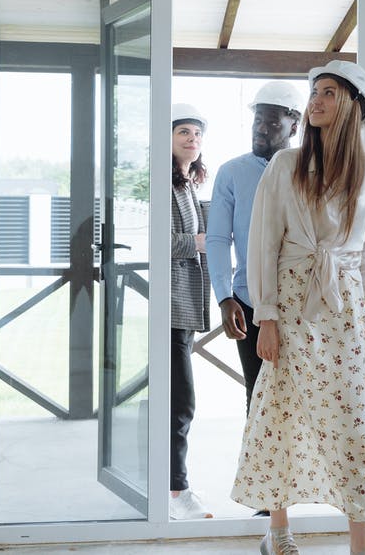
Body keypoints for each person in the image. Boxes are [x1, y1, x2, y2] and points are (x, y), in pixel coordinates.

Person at [231, 62, 365, 555]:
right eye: (314, 93)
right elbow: (263, 244)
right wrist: (267, 317)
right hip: (292, 302)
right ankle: (278, 534)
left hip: (344, 308)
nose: (315, 101)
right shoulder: (286, 165)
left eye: (328, 92)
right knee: (281, 415)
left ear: (352, 105)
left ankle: (361, 543)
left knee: (357, 420)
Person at [205, 81, 303, 418]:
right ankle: (259, 472)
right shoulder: (231, 173)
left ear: (295, 124)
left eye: (273, 122)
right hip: (250, 302)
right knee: (259, 399)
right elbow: (218, 238)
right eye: (257, 121)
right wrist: (223, 296)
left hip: (303, 303)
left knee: (302, 401)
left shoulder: (310, 169)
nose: (261, 130)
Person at [168, 103, 214, 520]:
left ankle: (171, 485)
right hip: (170, 307)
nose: (192, 139)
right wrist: (198, 243)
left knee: (177, 399)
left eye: (197, 134)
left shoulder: (187, 186)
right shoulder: (164, 186)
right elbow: (158, 243)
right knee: (180, 402)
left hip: (185, 306)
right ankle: (176, 490)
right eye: (183, 131)